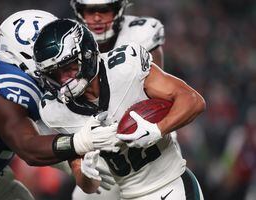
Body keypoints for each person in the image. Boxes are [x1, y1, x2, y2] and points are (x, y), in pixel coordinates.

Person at [34, 19, 206, 200]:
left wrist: (158, 129)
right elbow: (88, 185)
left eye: (68, 67)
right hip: (128, 195)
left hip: (170, 185)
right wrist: (87, 174)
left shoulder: (126, 66)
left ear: (87, 54)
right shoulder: (56, 111)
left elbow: (193, 101)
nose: (63, 80)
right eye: (54, 74)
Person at [0, 11, 118, 200]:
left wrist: (73, 160)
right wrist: (80, 142)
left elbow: (43, 125)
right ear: (26, 53)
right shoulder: (4, 94)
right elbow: (29, 148)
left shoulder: (23, 71)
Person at [69, 1, 173, 199]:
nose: (97, 17)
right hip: (99, 145)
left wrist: (156, 129)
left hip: (147, 134)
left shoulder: (141, 33)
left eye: (104, 9)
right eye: (90, 11)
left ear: (118, 9)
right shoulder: (66, 41)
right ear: (79, 11)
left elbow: (158, 100)